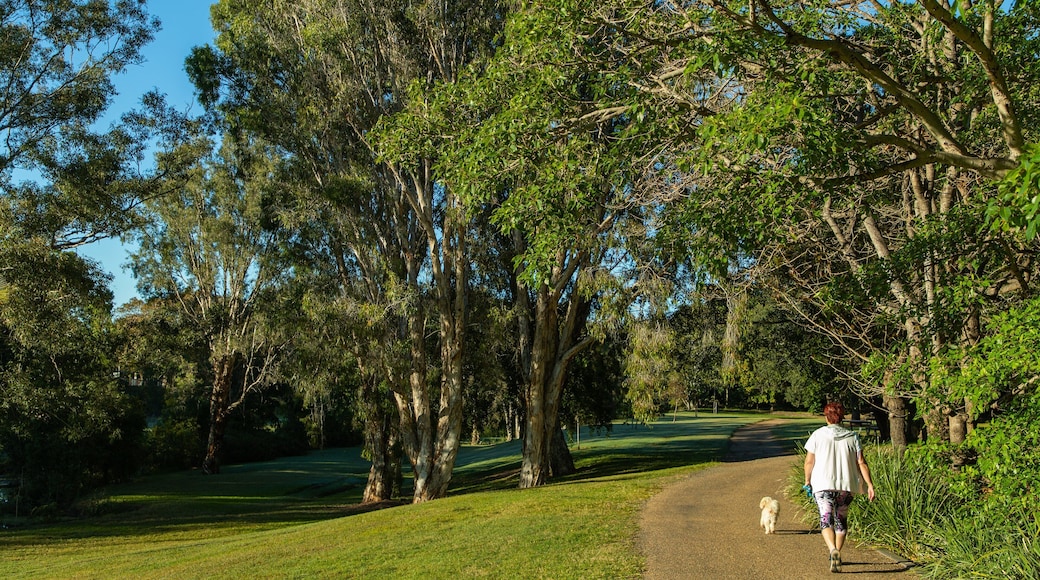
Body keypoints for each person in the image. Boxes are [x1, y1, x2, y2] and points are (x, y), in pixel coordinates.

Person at [803, 401, 876, 573]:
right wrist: (870, 485)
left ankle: (832, 550)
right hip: (846, 484)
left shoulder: (817, 435)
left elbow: (809, 461)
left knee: (825, 518)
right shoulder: (852, 437)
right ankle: (838, 551)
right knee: (841, 520)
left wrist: (807, 480)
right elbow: (861, 463)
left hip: (822, 483)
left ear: (826, 416)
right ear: (842, 416)